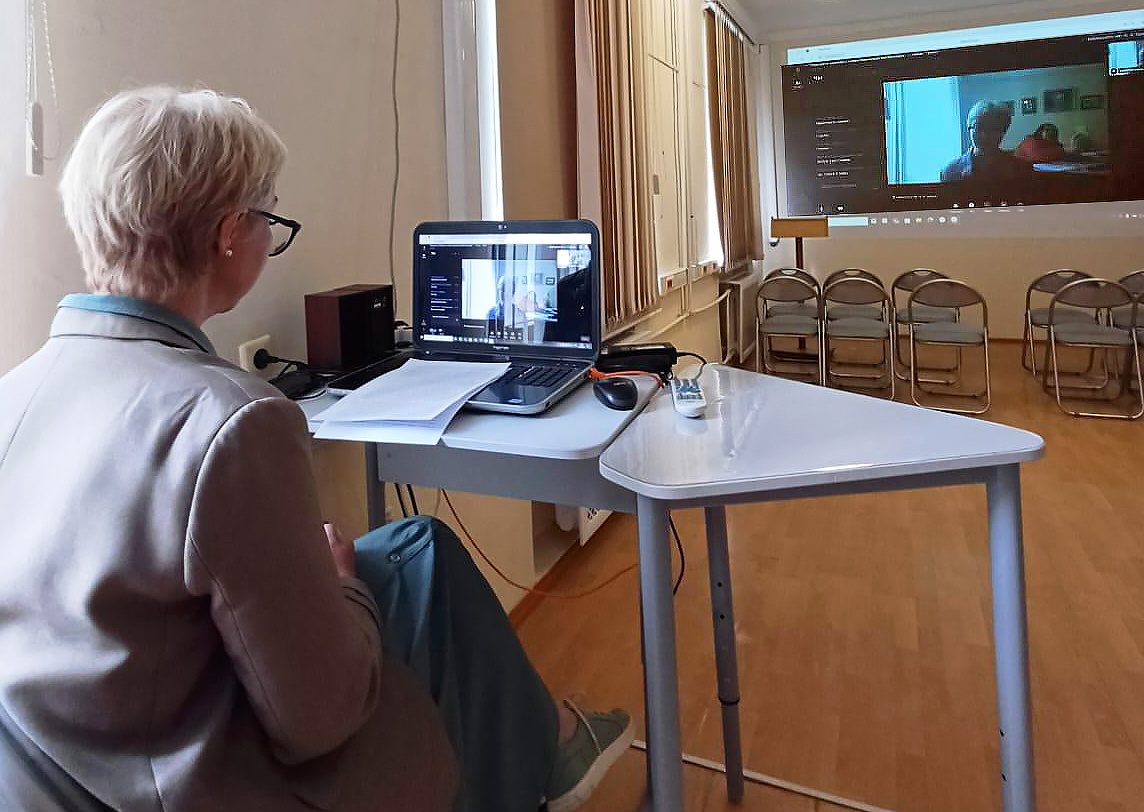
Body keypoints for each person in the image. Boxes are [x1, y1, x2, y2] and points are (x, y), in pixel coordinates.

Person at [0, 86, 632, 812]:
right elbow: (321, 717)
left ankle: (547, 751)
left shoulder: (15, 391)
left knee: (419, 545)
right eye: (268, 218)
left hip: (72, 759)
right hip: (194, 775)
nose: (270, 240)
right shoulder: (234, 422)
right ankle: (540, 759)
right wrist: (341, 588)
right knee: (398, 585)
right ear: (229, 233)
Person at [939, 101, 1033, 185]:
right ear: (969, 128)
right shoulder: (950, 171)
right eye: (979, 127)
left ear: (1003, 132)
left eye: (993, 129)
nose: (985, 135)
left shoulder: (1020, 169)